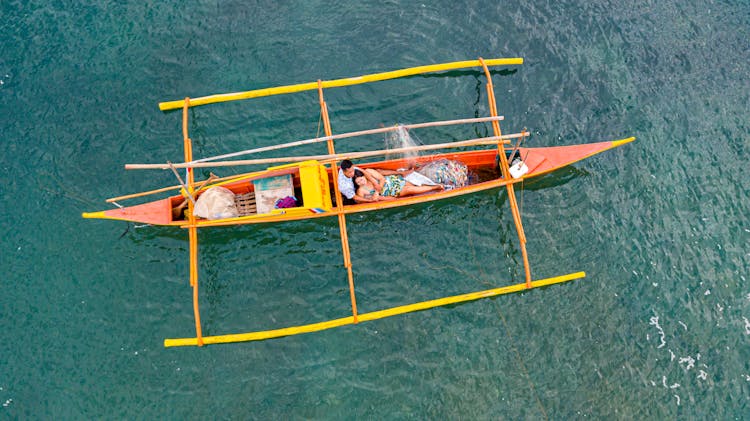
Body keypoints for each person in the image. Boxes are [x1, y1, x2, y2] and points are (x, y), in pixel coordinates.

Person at [337, 159, 411, 204]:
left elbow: (363, 171)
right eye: (350, 172)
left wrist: (374, 183)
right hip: (355, 193)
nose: (352, 173)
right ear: (344, 172)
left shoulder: (349, 168)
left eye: (352, 170)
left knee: (376, 171)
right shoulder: (344, 186)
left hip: (358, 182)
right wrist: (369, 200)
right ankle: (398, 200)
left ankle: (401, 173)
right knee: (376, 197)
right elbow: (355, 198)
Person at [352, 168, 442, 201]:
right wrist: (378, 197)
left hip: (391, 181)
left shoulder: (368, 172)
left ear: (363, 175)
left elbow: (382, 178)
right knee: (410, 189)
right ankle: (435, 187)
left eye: (361, 179)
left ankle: (431, 184)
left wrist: (376, 191)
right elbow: (364, 201)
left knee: (415, 185)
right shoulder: (361, 191)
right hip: (391, 191)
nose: (361, 182)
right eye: (358, 182)